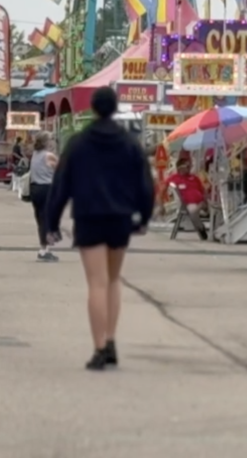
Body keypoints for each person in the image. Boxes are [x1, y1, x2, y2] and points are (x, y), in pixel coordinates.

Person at [43, 87, 154, 370]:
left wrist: (51, 223)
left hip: (89, 217)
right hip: (120, 219)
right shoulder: (130, 143)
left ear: (92, 109)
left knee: (96, 283)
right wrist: (144, 217)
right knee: (113, 280)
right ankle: (112, 339)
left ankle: (99, 348)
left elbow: (62, 184)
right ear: (115, 108)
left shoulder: (78, 143)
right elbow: (145, 183)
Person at [27, 133, 58, 263]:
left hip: (35, 189)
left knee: (41, 218)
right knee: (48, 219)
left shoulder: (35, 154)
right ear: (46, 142)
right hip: (47, 189)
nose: (53, 141)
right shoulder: (49, 156)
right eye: (51, 139)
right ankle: (44, 249)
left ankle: (45, 248)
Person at [164, 159, 209, 240]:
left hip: (200, 201)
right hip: (188, 203)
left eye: (189, 166)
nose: (189, 168)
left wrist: (205, 200)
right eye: (187, 166)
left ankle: (205, 229)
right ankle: (201, 229)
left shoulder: (194, 177)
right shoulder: (175, 178)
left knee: (196, 212)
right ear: (180, 168)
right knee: (193, 212)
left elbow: (203, 190)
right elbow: (164, 186)